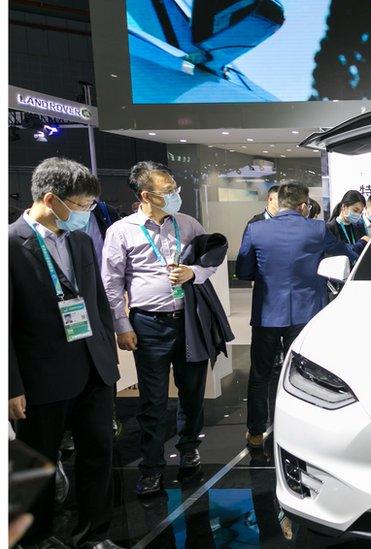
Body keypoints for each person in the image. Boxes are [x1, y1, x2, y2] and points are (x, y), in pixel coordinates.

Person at [9, 158, 122, 548]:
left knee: (98, 457)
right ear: (52, 198)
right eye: (82, 203)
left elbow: (97, 303)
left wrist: (109, 357)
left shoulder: (81, 239)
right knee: (34, 466)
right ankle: (34, 539)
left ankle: (95, 536)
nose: (86, 212)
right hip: (40, 376)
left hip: (93, 368)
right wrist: (11, 385)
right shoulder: (9, 244)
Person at [102, 161, 219, 496]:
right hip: (148, 324)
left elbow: (210, 260)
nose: (175, 195)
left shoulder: (188, 223)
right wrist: (122, 326)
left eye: (175, 188)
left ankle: (188, 449)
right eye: (168, 191)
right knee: (152, 400)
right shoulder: (122, 231)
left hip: (190, 322)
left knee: (192, 390)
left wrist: (193, 273)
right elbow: (111, 284)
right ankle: (151, 466)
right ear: (146, 195)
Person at [236, 184, 366, 450]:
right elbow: (347, 255)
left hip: (267, 314)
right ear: (303, 205)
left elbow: (243, 271)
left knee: (260, 374)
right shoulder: (317, 229)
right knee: (306, 374)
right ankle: (300, 432)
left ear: (279, 203)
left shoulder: (255, 229)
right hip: (307, 313)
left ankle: (256, 433)